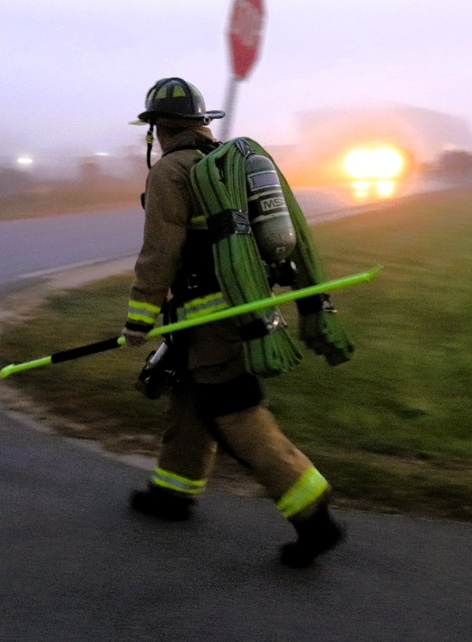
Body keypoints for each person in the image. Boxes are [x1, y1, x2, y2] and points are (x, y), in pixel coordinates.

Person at [122, 77, 345, 568]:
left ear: (157, 129)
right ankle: (172, 494)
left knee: (238, 416)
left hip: (208, 320)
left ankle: (313, 514)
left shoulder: (170, 173)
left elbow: (160, 252)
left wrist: (138, 317)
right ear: (203, 123)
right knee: (191, 399)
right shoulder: (227, 166)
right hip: (241, 309)